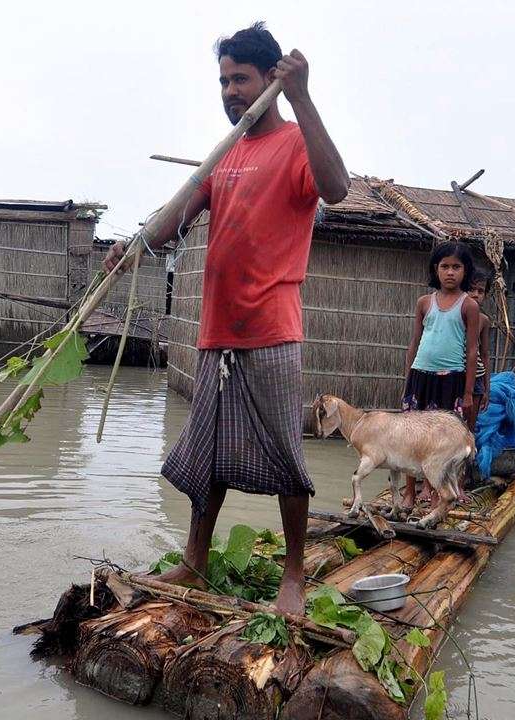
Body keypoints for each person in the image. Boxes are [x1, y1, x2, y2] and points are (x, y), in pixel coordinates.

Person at [104, 22, 348, 615]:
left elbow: (337, 187)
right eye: (223, 81)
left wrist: (303, 96)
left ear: (270, 78)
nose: (230, 91)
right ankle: (195, 560)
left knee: (287, 450)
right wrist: (133, 245)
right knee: (208, 451)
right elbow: (176, 217)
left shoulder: (293, 143)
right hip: (218, 329)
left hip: (271, 329)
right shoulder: (226, 153)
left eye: (240, 79)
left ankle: (293, 576)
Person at [398, 241, 481, 511]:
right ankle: (409, 494)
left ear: (465, 271)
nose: (450, 272)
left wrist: (468, 393)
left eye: (456, 267)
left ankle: (436, 495)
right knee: (410, 437)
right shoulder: (424, 302)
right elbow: (414, 343)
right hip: (420, 377)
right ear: (436, 269)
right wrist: (408, 379)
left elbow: (471, 351)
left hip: (451, 379)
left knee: (440, 441)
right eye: (444, 266)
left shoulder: (469, 306)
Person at [467, 271, 493, 415]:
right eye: (471, 289)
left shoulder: (483, 320)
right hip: (455, 374)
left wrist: (486, 389)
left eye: (481, 291)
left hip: (477, 377)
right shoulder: (453, 316)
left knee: (469, 427)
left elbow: (484, 355)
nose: (476, 294)